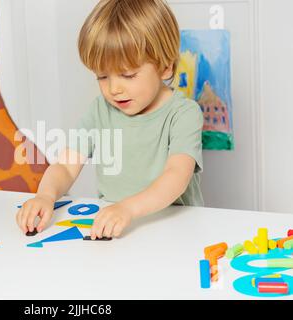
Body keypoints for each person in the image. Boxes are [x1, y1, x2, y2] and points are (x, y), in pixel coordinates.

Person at [16, 0, 204, 240]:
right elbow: (65, 166)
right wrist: (45, 195)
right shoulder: (100, 110)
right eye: (102, 76)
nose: (114, 88)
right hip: (116, 228)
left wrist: (127, 208)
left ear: (165, 67)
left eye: (128, 75)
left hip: (175, 229)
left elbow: (176, 176)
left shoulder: (183, 113)